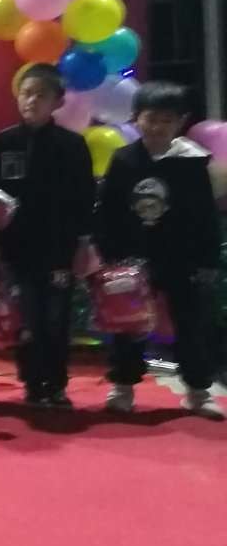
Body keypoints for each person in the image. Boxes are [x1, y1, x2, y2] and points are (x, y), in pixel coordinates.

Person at [96, 82, 224, 419]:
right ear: (136, 118)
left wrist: (207, 260)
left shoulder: (192, 162)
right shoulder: (124, 159)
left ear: (181, 121)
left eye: (167, 120)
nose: (157, 127)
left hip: (181, 258)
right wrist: (108, 256)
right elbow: (108, 211)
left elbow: (205, 216)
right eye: (150, 119)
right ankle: (123, 387)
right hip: (131, 258)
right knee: (127, 324)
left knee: (191, 325)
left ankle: (198, 391)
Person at [0, 65, 96, 408]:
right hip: (16, 247)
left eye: (41, 95)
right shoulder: (4, 142)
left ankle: (57, 383)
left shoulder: (72, 145)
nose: (32, 100)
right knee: (25, 318)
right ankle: (33, 383)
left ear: (57, 102)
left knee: (56, 318)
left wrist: (82, 244)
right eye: (26, 93)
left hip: (59, 247)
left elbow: (84, 198)